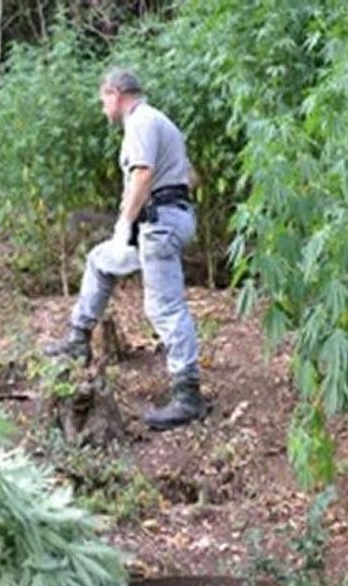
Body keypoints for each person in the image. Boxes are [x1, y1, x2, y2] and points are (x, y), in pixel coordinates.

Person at [46, 68, 206, 430]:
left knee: (163, 306)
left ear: (115, 93)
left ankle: (188, 394)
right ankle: (78, 339)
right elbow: (190, 177)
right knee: (100, 262)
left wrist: (125, 222)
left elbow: (143, 175)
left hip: (159, 223)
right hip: (164, 219)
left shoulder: (140, 122)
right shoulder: (161, 123)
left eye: (103, 99)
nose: (103, 107)